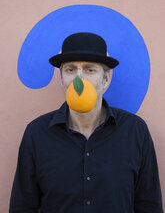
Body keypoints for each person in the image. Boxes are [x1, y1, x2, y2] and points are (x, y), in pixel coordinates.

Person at [9, 32, 163, 213]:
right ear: (61, 79)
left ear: (105, 79)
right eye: (70, 69)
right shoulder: (36, 133)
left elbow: (149, 206)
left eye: (90, 70)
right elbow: (22, 206)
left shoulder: (136, 131)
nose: (78, 79)